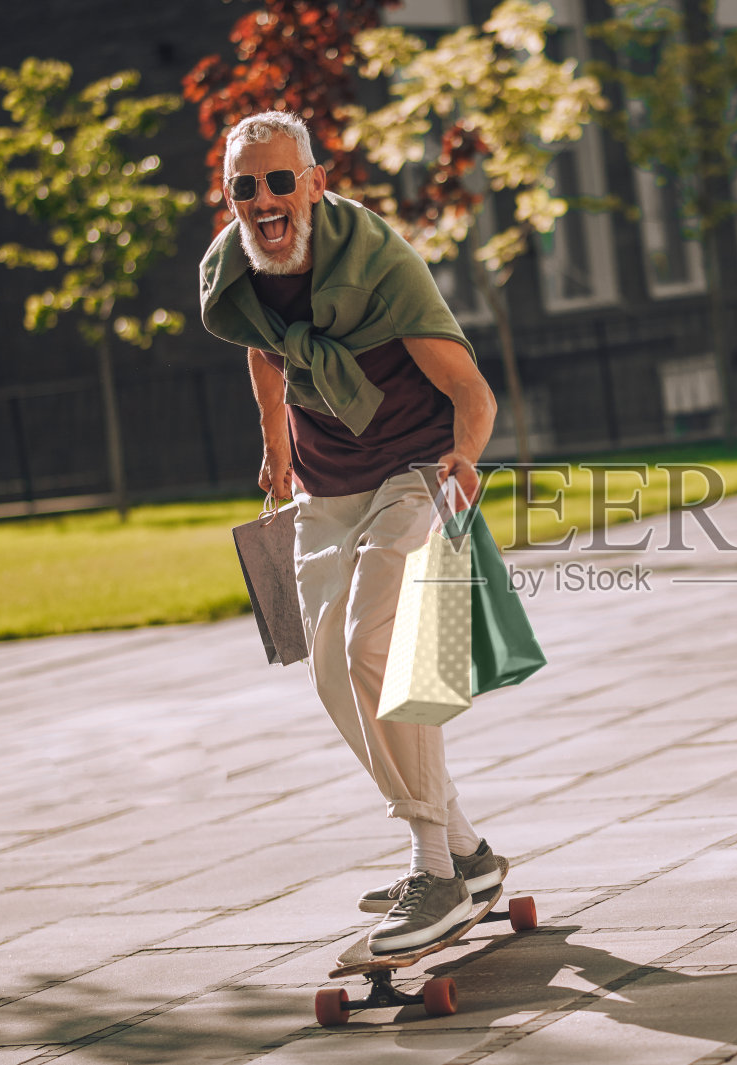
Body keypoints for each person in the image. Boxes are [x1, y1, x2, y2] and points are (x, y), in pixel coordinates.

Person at [198, 111, 501, 952]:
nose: (265, 201)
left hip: (418, 470)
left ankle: (433, 867)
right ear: (230, 198)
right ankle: (468, 852)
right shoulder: (237, 270)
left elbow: (473, 392)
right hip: (329, 487)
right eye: (245, 188)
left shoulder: (377, 263)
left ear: (315, 181)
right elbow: (265, 349)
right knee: (335, 670)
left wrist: (466, 462)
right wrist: (275, 449)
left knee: (379, 642)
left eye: (280, 181)